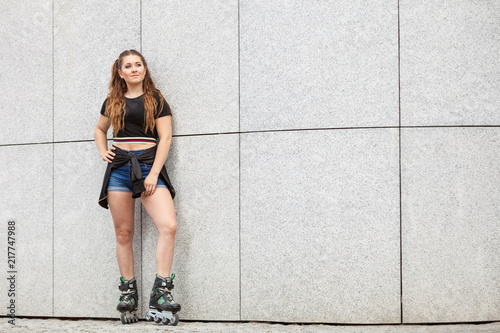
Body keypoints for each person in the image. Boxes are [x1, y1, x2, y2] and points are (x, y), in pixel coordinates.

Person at [94, 49, 181, 325]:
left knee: (168, 225)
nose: (134, 69)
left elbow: (165, 138)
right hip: (119, 170)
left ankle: (161, 292)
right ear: (120, 72)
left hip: (147, 168)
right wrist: (102, 149)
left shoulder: (156, 99)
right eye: (128, 66)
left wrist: (154, 173)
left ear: (145, 69)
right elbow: (99, 129)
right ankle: (128, 292)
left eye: (138, 64)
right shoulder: (113, 101)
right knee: (123, 233)